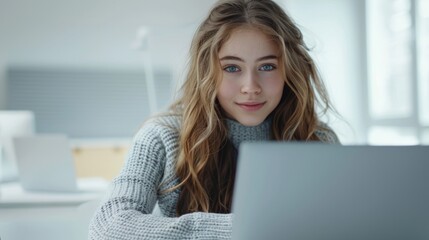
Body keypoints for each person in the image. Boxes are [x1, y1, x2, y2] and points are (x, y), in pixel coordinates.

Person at [88, 0, 340, 239]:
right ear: (207, 71)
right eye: (232, 68)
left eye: (267, 67)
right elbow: (108, 229)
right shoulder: (162, 136)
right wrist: (241, 230)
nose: (250, 87)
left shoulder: (317, 139)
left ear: (289, 69)